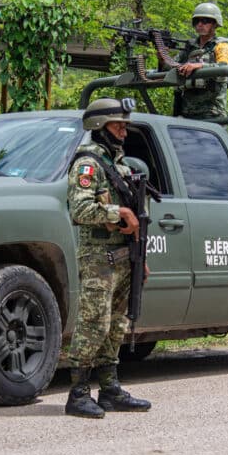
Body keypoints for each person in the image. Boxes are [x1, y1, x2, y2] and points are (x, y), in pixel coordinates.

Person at [64, 97, 152, 418]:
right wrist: (119, 212)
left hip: (123, 257)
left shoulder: (122, 167)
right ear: (99, 127)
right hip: (98, 258)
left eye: (125, 126)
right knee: (93, 324)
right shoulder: (87, 165)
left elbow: (138, 221)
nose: (124, 132)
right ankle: (77, 394)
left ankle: (110, 389)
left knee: (116, 324)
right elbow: (80, 209)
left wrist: (139, 259)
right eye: (118, 126)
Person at [164, 2, 228, 120]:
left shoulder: (222, 46)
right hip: (186, 112)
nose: (200, 24)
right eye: (197, 21)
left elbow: (224, 68)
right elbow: (170, 68)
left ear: (215, 23)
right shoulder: (189, 48)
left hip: (211, 112)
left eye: (205, 21)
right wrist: (163, 57)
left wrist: (200, 66)